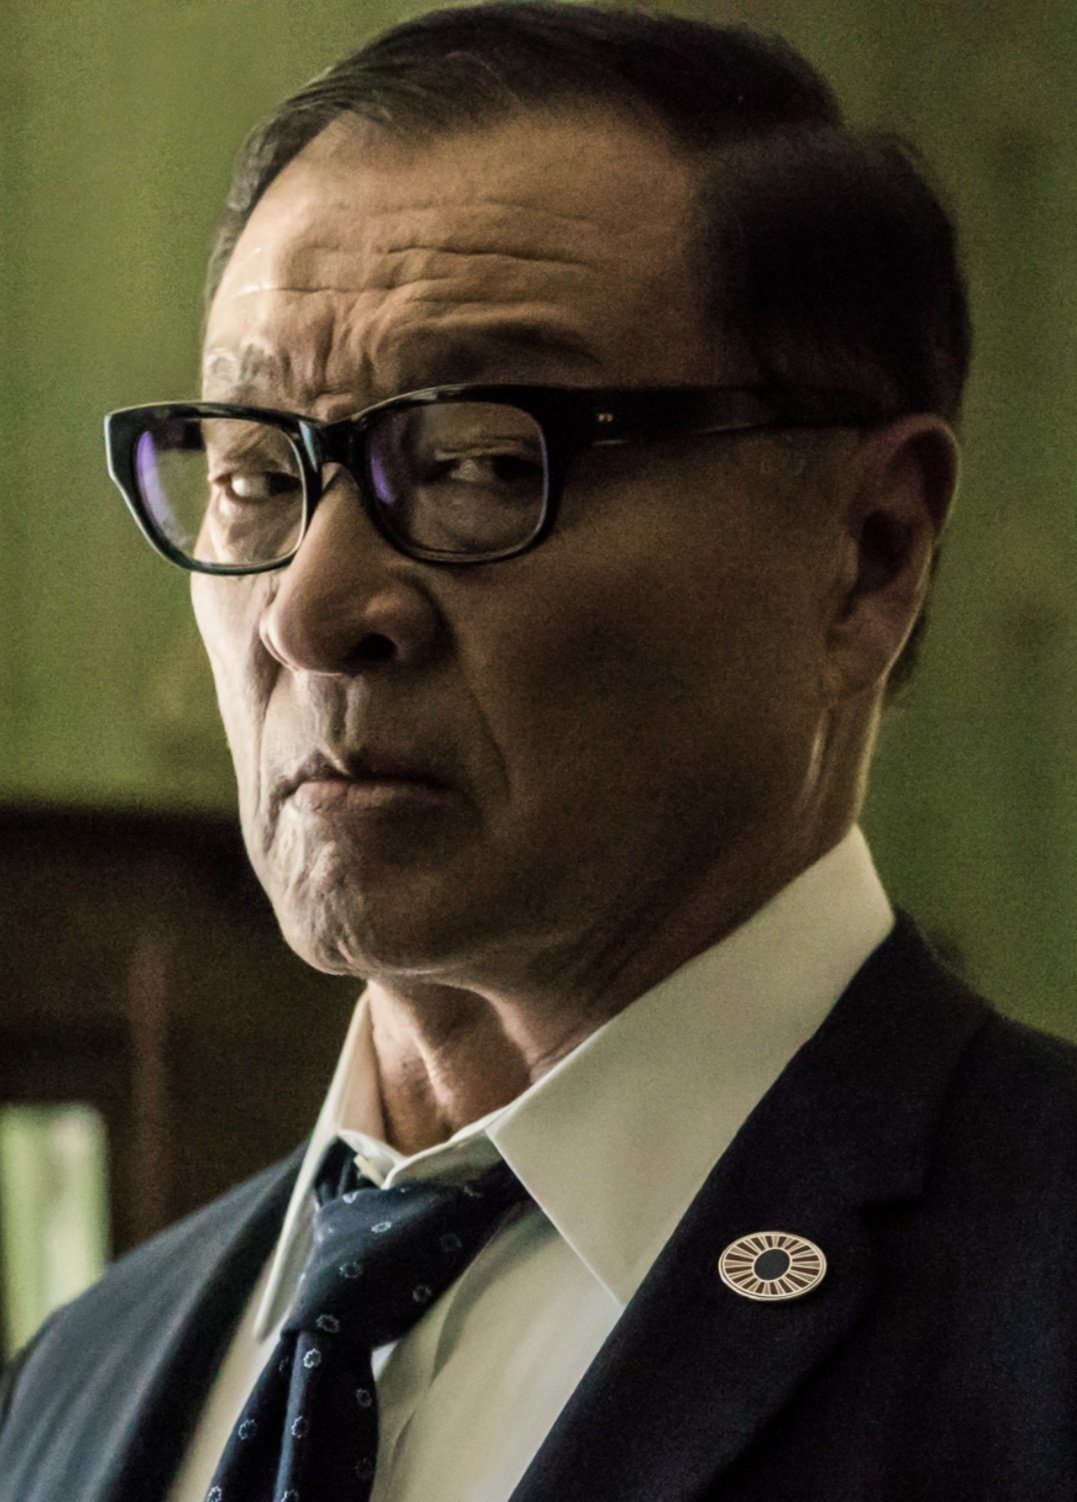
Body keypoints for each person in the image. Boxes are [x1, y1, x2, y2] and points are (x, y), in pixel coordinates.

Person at [3, 4, 1076, 1499]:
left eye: (479, 465)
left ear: (868, 549)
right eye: (253, 475)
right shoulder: (78, 1376)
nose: (310, 610)